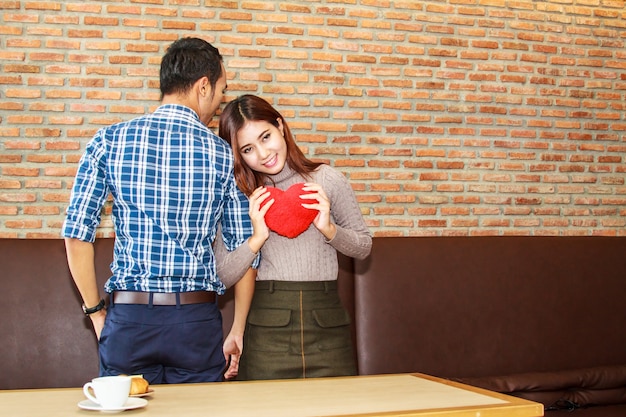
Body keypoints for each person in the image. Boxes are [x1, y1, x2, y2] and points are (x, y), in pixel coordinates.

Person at [62, 37, 259, 384]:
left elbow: (77, 235)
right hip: (196, 322)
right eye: (220, 90)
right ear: (202, 86)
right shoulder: (222, 155)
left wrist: (95, 313)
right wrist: (238, 329)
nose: (219, 101)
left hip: (130, 319)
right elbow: (244, 253)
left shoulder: (109, 140)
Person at [216, 94, 372, 380]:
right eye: (248, 149)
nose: (262, 154)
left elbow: (363, 248)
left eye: (266, 137)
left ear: (280, 126)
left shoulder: (326, 179)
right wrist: (257, 238)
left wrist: (329, 229)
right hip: (265, 328)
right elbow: (222, 276)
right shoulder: (239, 196)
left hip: (327, 323)